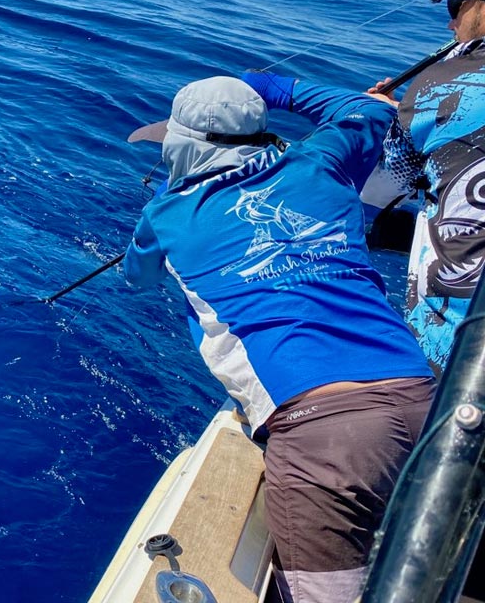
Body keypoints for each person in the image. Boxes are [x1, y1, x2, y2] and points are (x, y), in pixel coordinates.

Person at [124, 75, 435, 602]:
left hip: (324, 437)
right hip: (424, 399)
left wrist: (171, 191)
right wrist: (270, 86)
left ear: (181, 145)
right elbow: (366, 109)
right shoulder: (324, 161)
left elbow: (140, 276)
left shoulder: (167, 214)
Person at [363, 0, 485, 376]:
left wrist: (397, 117)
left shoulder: (441, 83)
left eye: (456, 3)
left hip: (456, 333)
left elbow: (382, 186)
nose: (451, 21)